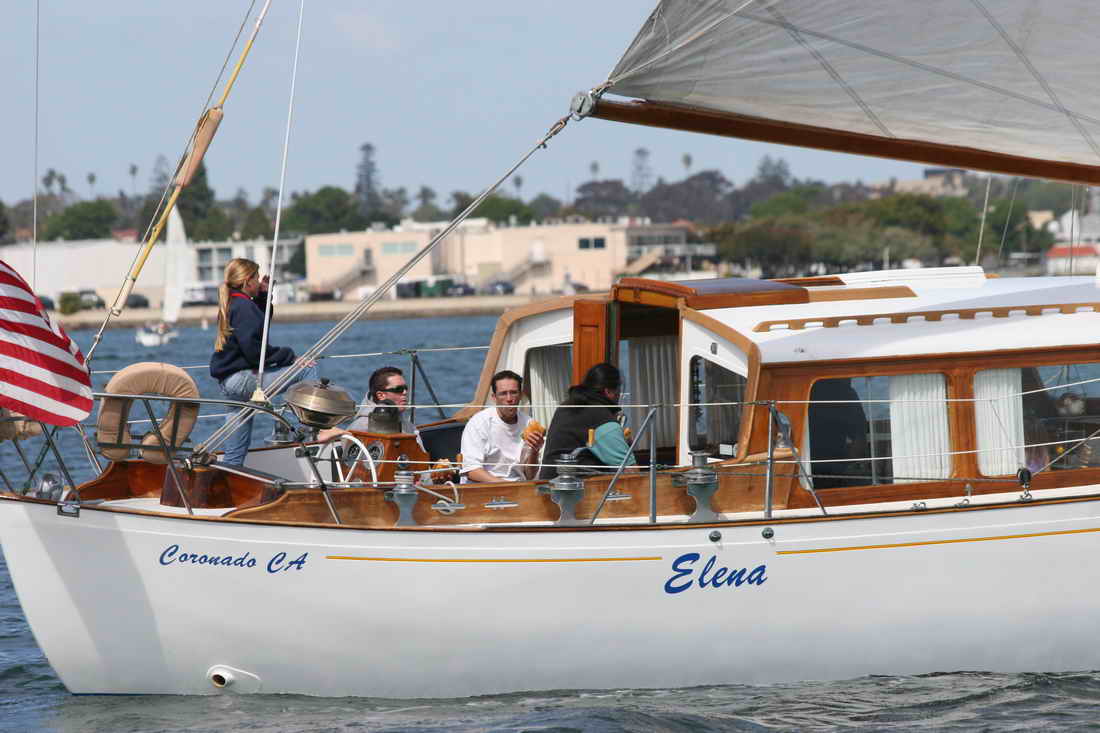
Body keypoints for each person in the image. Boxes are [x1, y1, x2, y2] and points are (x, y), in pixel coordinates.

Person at [209, 258, 316, 465]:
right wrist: (290, 356)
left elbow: (258, 323)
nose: (259, 282)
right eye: (257, 278)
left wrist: (264, 294)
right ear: (247, 281)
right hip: (242, 380)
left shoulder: (234, 302)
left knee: (234, 454)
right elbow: (255, 352)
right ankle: (311, 429)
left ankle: (228, 478)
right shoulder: (243, 306)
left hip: (229, 383)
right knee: (306, 369)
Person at [538, 362, 636, 480]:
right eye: (618, 390)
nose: (619, 395)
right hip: (572, 487)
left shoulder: (567, 406)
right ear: (608, 392)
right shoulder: (600, 416)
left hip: (548, 483)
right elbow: (631, 471)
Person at [460, 370, 544, 483]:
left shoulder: (529, 424)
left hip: (519, 486)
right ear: (494, 397)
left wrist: (535, 450)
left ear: (520, 395)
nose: (509, 399)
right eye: (503, 393)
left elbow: (529, 475)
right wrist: (506, 486)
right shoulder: (479, 423)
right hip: (483, 487)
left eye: (513, 392)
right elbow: (471, 470)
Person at [318, 366, 417, 440]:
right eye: (399, 389)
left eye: (406, 388)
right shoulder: (362, 426)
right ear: (381, 395)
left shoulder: (407, 425)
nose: (405, 393)